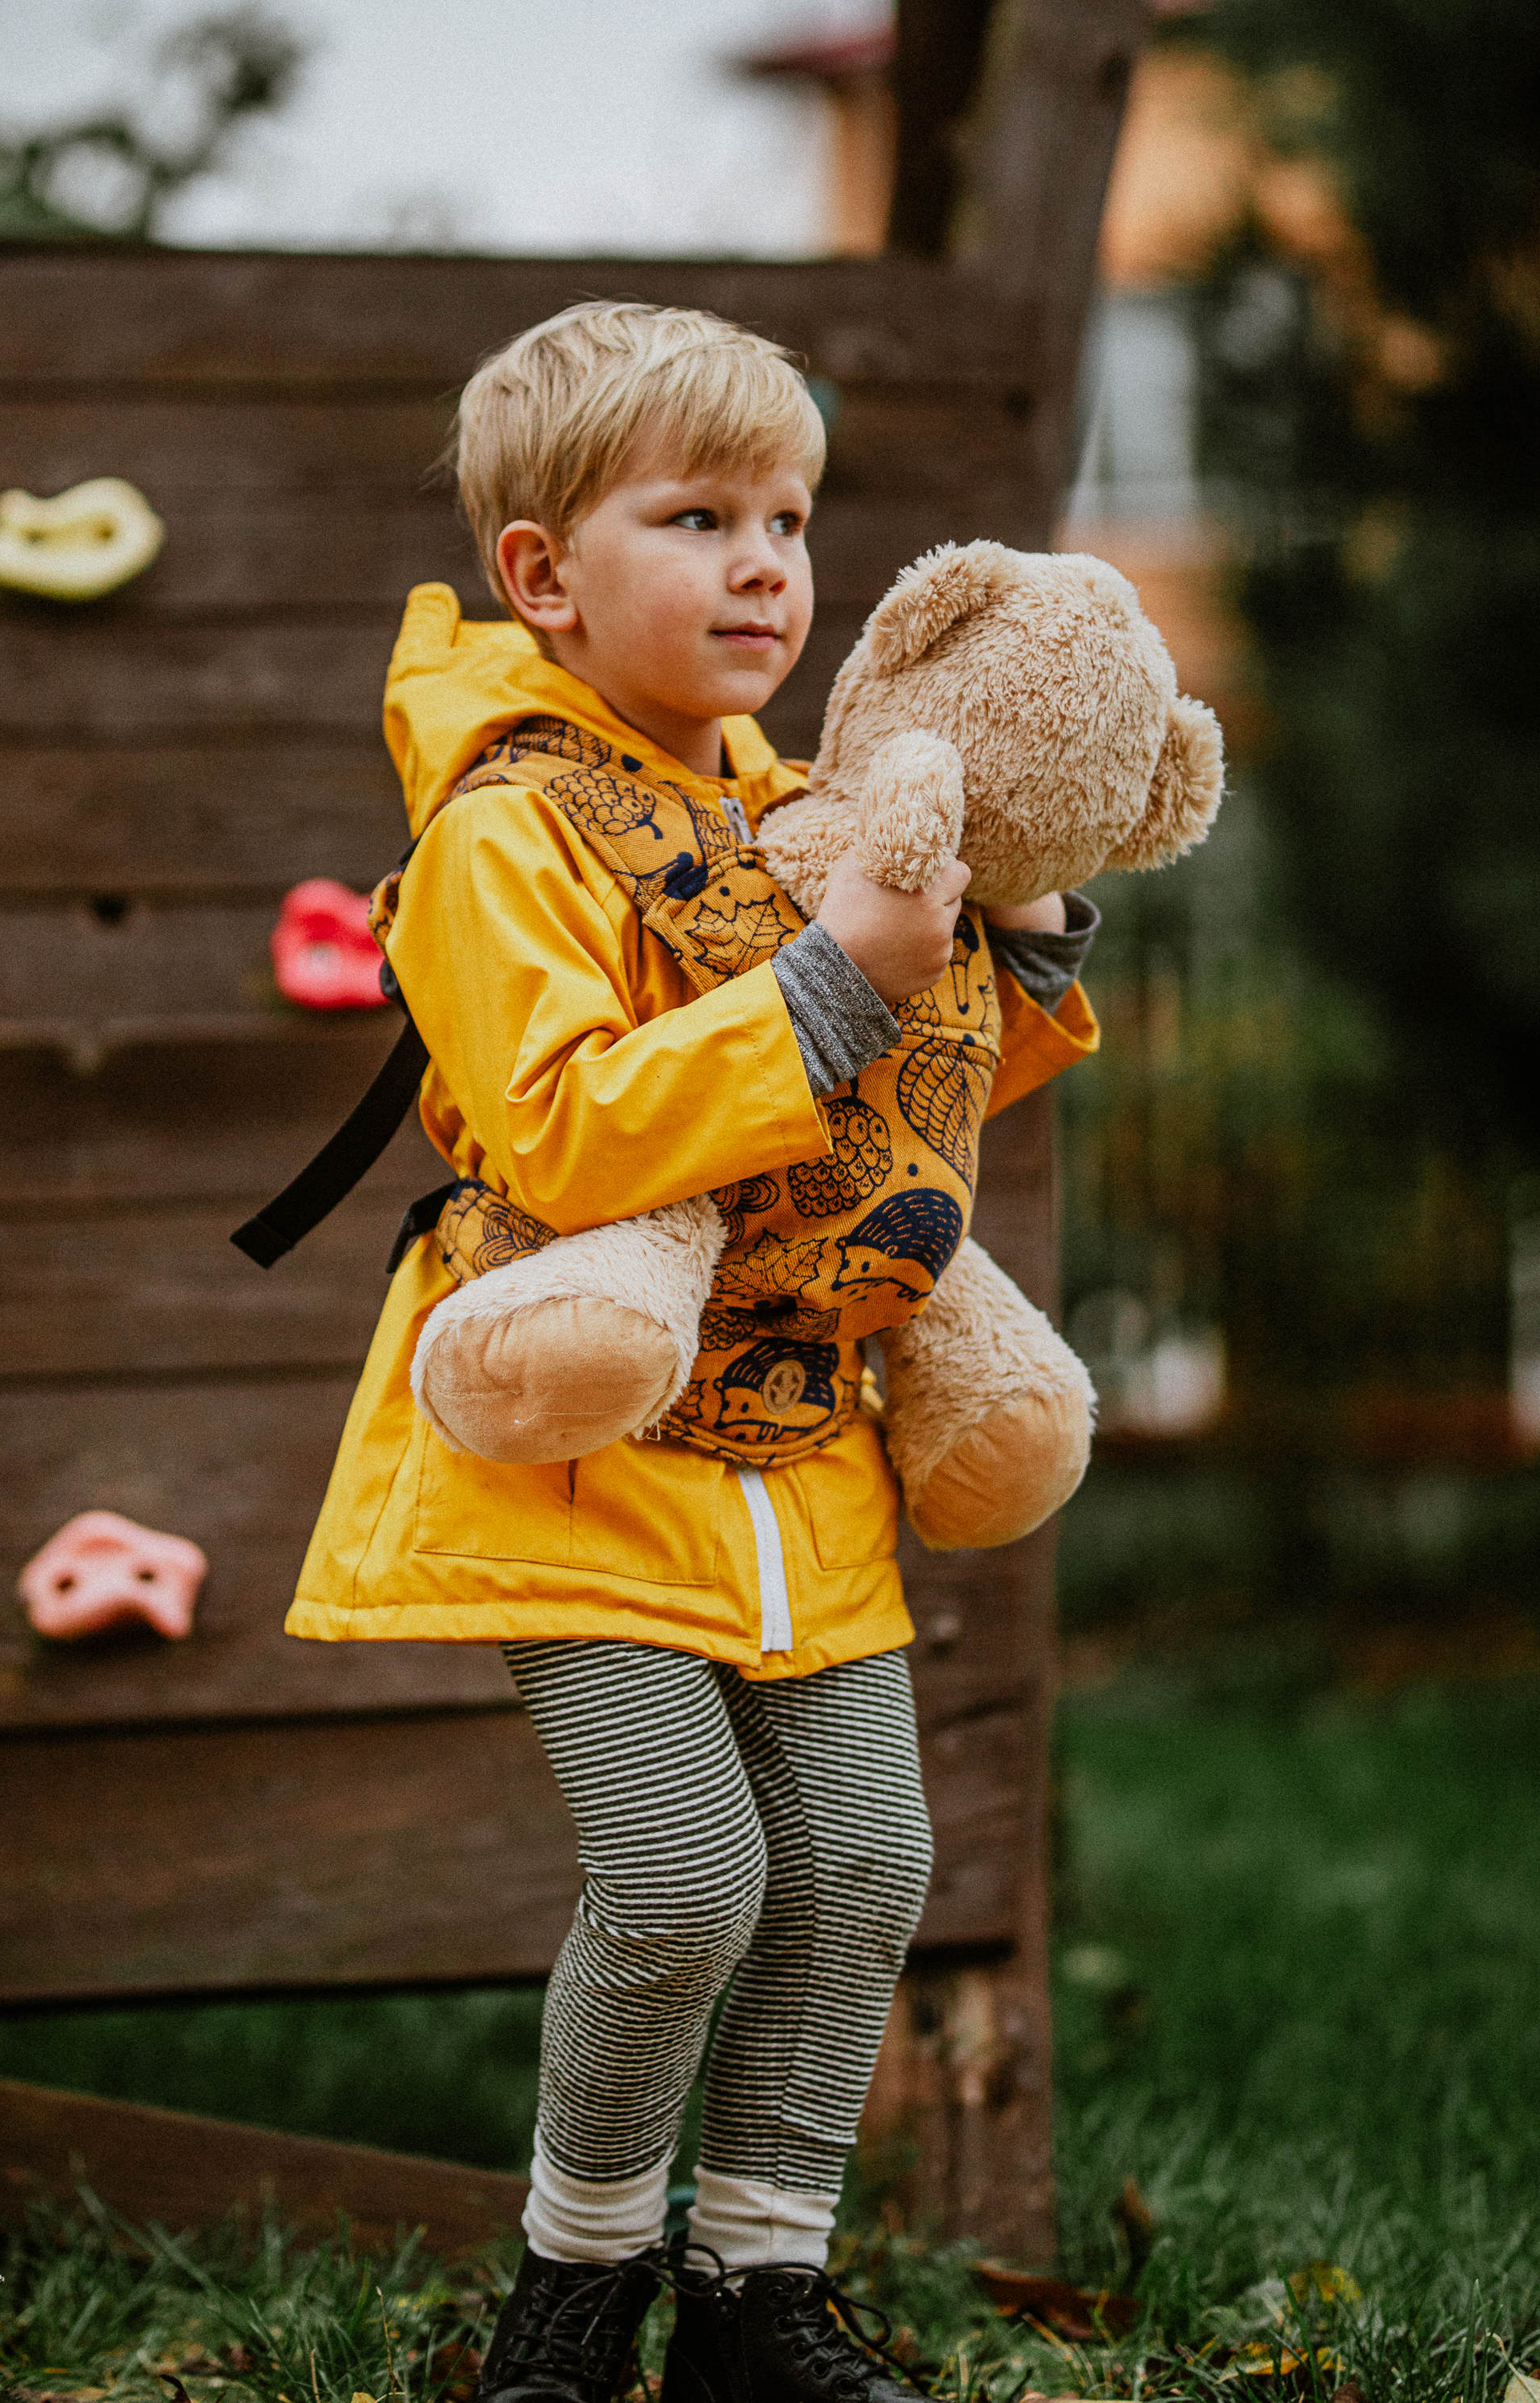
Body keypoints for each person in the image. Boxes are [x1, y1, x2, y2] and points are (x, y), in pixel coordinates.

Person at [287, 301, 1099, 2403]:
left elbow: (871, 1134)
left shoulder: (796, 798)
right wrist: (834, 981)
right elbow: (563, 1128)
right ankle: (573, 2293)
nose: (768, 565)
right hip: (588, 1428)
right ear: (544, 573)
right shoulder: (505, 831)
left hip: (793, 1443)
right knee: (680, 1879)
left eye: (793, 519)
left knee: (863, 1864)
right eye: (700, 515)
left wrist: (990, 954)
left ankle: (760, 2291)